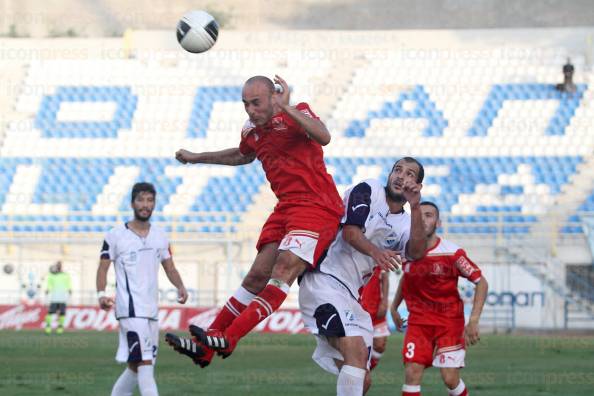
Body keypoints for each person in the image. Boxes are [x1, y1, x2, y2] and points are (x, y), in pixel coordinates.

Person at [166, 75, 344, 365]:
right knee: (256, 276)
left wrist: (286, 108)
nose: (250, 110)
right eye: (245, 104)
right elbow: (242, 155)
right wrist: (198, 157)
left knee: (283, 269)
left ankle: (228, 338)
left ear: (273, 97)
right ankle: (207, 347)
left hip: (316, 207)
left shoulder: (297, 112)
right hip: (285, 208)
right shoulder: (251, 130)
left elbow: (324, 136)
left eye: (256, 103)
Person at [299, 157, 427, 396]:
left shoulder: (407, 222)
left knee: (362, 379)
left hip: (350, 296)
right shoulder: (369, 189)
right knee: (355, 351)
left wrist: (416, 205)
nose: (401, 176)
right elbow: (350, 233)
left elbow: (417, 253)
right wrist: (376, 252)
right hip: (324, 279)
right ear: (389, 174)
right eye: (397, 170)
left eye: (410, 174)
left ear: (417, 184)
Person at [96, 182, 188, 396]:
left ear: (154, 204)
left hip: (151, 312)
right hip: (129, 310)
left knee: (136, 366)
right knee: (145, 364)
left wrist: (180, 286)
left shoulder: (160, 236)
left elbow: (170, 267)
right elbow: (102, 269)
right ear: (132, 203)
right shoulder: (115, 235)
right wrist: (101, 294)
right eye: (141, 200)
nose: (145, 205)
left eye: (149, 200)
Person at [390, 201, 489, 396]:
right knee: (412, 372)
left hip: (449, 323)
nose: (424, 220)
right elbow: (407, 277)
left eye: (429, 215)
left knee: (450, 378)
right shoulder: (406, 251)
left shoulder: (452, 253)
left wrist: (474, 320)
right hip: (418, 323)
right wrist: (394, 307)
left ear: (438, 222)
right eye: (419, 215)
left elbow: (481, 282)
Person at [359, 268, 390, 370]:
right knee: (359, 349)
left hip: (376, 310)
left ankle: (365, 372)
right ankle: (360, 374)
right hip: (358, 311)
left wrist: (384, 301)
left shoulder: (376, 254)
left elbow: (385, 277)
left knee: (380, 345)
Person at [44, 261, 72, 335]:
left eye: (60, 265)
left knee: (62, 313)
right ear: (56, 266)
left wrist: (69, 289)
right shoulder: (52, 275)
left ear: (61, 266)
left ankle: (60, 327)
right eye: (57, 265)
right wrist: (47, 289)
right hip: (54, 297)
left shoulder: (66, 275)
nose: (59, 266)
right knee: (50, 312)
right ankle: (48, 326)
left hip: (63, 297)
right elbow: (49, 284)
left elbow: (68, 283)